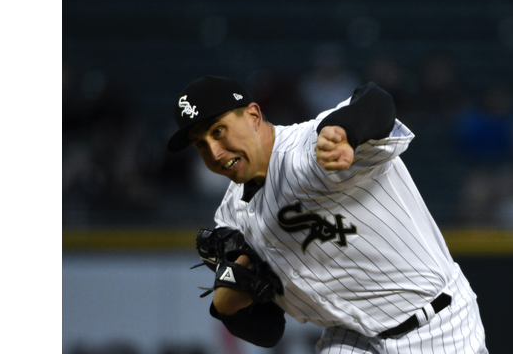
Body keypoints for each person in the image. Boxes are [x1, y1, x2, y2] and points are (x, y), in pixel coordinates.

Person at [167, 76, 489, 354]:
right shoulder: (231, 216)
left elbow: (375, 100)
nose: (214, 152)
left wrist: (346, 131)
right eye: (200, 144)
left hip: (434, 325)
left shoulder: (308, 151)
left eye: (219, 130)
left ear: (253, 115)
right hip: (349, 336)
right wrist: (228, 309)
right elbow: (268, 331)